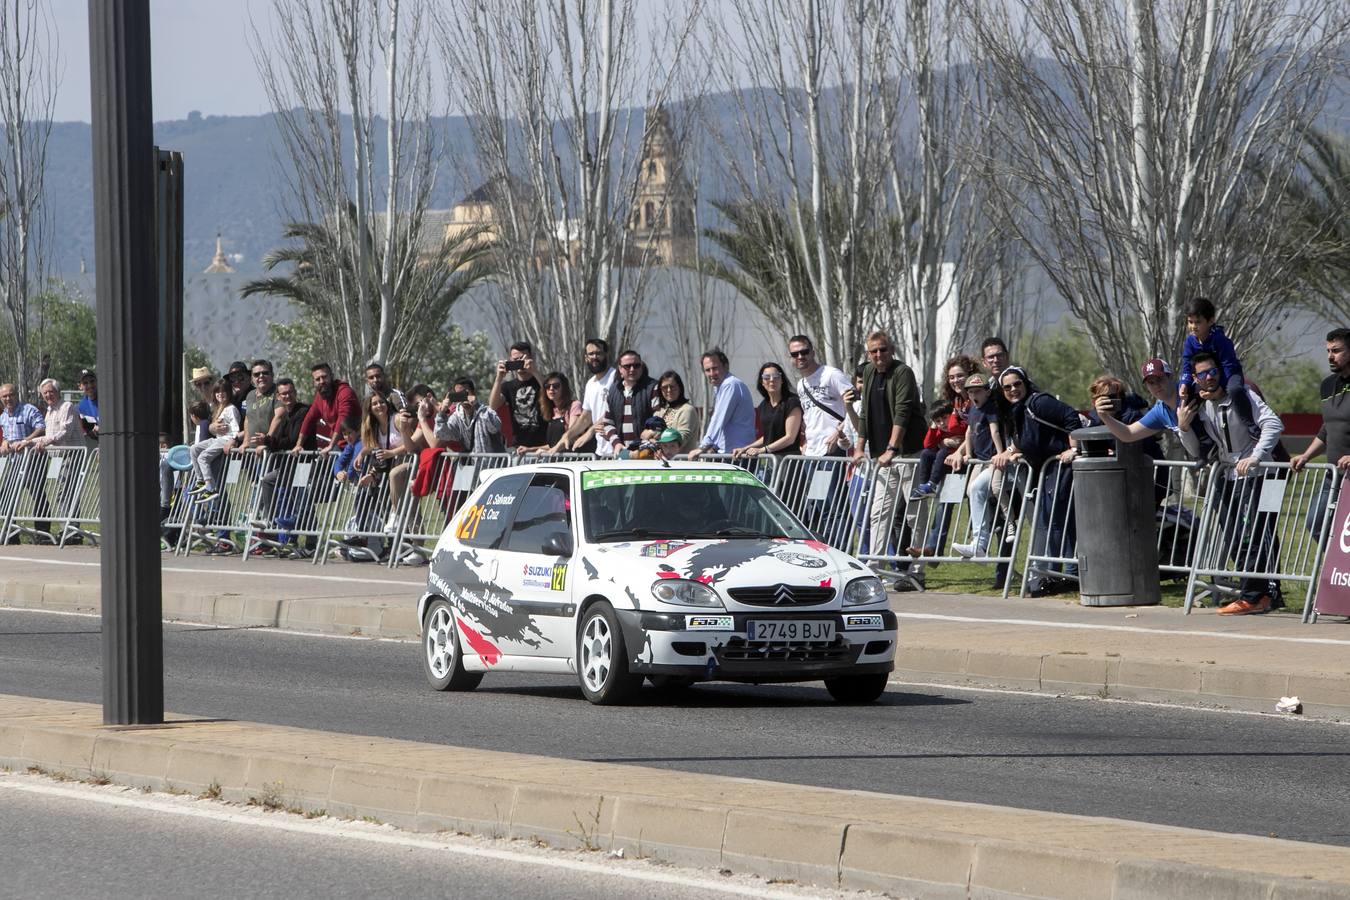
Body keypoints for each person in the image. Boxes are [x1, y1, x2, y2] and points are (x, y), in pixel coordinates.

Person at [1178, 351, 1286, 614]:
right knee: (1239, 535)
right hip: (1231, 476)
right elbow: (1196, 451)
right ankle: (1259, 594)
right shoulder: (1203, 407)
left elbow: (1274, 424)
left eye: (1213, 371)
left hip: (1266, 474)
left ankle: (1257, 595)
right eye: (1202, 374)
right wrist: (1183, 428)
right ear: (1195, 379)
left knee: (1259, 534)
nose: (1209, 378)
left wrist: (1256, 457)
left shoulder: (1243, 396)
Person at [992, 366, 1082, 596]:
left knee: (1056, 519)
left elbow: (1070, 416)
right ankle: (1056, 574)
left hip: (1061, 465)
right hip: (1044, 468)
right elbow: (1029, 439)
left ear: (1025, 383)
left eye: (1017, 384)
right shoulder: (1016, 411)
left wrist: (1073, 448)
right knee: (1051, 519)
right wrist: (1014, 451)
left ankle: (1065, 573)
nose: (1013, 390)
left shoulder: (1038, 402)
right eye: (1008, 387)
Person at [852, 331, 926, 570]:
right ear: (868, 354)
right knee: (878, 512)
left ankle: (918, 568)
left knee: (915, 512)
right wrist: (859, 448)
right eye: (873, 351)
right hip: (882, 457)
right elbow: (864, 413)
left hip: (907, 452)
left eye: (883, 349)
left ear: (891, 349)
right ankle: (875, 565)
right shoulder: (869, 372)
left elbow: (903, 411)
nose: (878, 355)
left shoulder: (902, 372)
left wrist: (892, 448)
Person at [1292, 329, 1350, 538]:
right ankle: (1339, 570)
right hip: (1333, 477)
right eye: (1328, 351)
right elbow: (1328, 428)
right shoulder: (1327, 385)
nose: (1330, 356)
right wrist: (1306, 456)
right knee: (1315, 523)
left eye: (1336, 351)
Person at [950, 374, 1006, 562]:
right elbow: (968, 432)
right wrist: (968, 454)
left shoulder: (990, 409)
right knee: (971, 491)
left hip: (992, 461)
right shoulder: (973, 409)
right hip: (979, 461)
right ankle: (979, 542)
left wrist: (1000, 453)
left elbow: (995, 431)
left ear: (987, 392)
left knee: (978, 489)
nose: (974, 395)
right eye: (971, 391)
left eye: (978, 391)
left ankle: (982, 541)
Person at [252, 378, 315, 537]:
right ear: (278, 397)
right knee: (267, 480)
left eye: (290, 393)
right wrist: (266, 442)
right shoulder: (284, 415)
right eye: (283, 394)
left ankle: (311, 541)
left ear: (295, 393)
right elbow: (277, 443)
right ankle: (271, 520)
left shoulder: (303, 411)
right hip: (288, 466)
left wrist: (269, 440)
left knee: (304, 504)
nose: (287, 396)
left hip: (303, 464)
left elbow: (293, 439)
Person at [1178, 296, 1254, 422]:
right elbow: (1186, 365)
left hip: (1228, 374)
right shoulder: (1190, 341)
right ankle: (1202, 436)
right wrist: (1184, 384)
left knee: (1235, 390)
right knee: (1184, 398)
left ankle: (1250, 423)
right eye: (1190, 322)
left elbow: (1228, 366)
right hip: (1204, 377)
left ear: (1211, 321)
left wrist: (1220, 389)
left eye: (1198, 322)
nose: (1193, 326)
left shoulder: (1220, 340)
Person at [788, 335, 853, 457]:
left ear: (812, 353)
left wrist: (838, 432)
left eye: (804, 352)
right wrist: (806, 442)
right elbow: (810, 417)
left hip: (832, 447)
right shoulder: (801, 384)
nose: (800, 357)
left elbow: (856, 406)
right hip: (810, 451)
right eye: (795, 354)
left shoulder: (831, 374)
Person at [0, 383, 49, 543]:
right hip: (15, 463)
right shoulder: (3, 416)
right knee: (6, 497)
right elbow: (7, 435)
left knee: (38, 495)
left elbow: (41, 427)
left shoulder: (29, 409)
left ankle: (42, 535)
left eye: (11, 395)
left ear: (17, 394)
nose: (8, 398)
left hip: (34, 460)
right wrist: (5, 442)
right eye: (4, 396)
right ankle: (11, 535)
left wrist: (27, 441)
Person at [689, 349, 756, 458]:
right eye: (707, 370)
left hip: (738, 455)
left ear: (726, 366)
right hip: (729, 453)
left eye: (715, 368)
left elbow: (719, 419)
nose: (711, 373)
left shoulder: (730, 385)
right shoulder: (721, 387)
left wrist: (703, 447)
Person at [187, 379, 242, 501]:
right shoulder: (218, 409)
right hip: (218, 439)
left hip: (226, 440)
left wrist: (233, 440)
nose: (220, 394)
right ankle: (200, 481)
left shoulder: (231, 408)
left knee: (203, 457)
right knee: (194, 449)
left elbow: (235, 429)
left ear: (229, 393)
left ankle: (211, 488)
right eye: (217, 392)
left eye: (223, 392)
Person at [733, 362, 802, 459]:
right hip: (771, 462)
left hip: (789, 462)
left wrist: (762, 450)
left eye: (776, 376)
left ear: (782, 380)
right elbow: (768, 437)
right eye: (767, 377)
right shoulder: (763, 405)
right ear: (762, 382)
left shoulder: (792, 402)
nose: (772, 380)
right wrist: (745, 448)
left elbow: (790, 438)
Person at [489, 340, 546, 449]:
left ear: (530, 358)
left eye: (522, 359)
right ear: (510, 360)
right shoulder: (508, 386)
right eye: (515, 360)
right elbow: (493, 405)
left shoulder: (541, 380)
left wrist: (534, 371)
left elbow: (551, 396)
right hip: (518, 447)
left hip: (542, 447)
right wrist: (499, 378)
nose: (519, 363)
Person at [292, 362, 360, 454]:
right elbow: (309, 419)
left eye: (324, 377)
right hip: (339, 445)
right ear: (314, 382)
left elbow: (343, 418)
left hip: (356, 443)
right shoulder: (319, 397)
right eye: (317, 379)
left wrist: (331, 445)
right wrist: (299, 445)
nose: (322, 381)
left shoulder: (344, 392)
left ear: (331, 376)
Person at [600, 350, 659, 453]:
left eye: (636, 365)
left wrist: (650, 434)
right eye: (627, 366)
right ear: (620, 369)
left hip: (648, 453)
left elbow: (659, 419)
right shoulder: (613, 390)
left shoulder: (653, 388)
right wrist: (616, 443)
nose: (632, 369)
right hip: (623, 453)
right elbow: (608, 423)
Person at [433, 377, 506, 454]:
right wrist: (442, 412)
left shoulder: (486, 411)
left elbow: (494, 428)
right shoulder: (457, 416)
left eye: (466, 393)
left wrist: (476, 405)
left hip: (494, 464)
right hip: (471, 464)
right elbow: (441, 434)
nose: (463, 397)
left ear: (473, 393)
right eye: (459, 394)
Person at [576, 338, 617, 457]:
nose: (594, 357)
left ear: (606, 355)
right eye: (591, 354)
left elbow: (613, 410)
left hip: (616, 448)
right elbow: (585, 417)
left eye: (598, 353)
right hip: (600, 450)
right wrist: (567, 437)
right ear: (586, 358)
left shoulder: (615, 377)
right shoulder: (590, 383)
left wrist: (590, 432)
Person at [528, 372, 586, 455]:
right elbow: (552, 445)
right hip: (555, 459)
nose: (551, 389)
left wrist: (550, 452)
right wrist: (529, 449)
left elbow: (572, 436)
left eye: (556, 386)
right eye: (547, 386)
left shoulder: (574, 405)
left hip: (572, 459)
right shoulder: (551, 411)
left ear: (564, 388)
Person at [652, 371, 701, 454]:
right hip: (662, 463)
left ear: (680, 388)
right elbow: (646, 436)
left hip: (681, 463)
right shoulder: (659, 412)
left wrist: (654, 438)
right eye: (664, 387)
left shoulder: (687, 410)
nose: (669, 390)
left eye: (672, 387)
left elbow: (680, 440)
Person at [238, 359, 277, 450]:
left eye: (265, 373)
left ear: (272, 375)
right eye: (256, 374)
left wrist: (267, 440)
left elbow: (279, 417)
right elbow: (248, 419)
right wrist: (245, 442)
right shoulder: (250, 395)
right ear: (252, 379)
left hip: (271, 450)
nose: (261, 376)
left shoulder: (278, 391)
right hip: (252, 451)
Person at [189, 367, 215, 441]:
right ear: (196, 386)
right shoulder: (199, 405)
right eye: (199, 384)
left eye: (206, 383)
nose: (203, 387)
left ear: (212, 383)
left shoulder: (219, 404)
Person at [77, 369, 99, 443]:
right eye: (85, 383)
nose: (90, 385)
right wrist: (94, 433)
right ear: (80, 386)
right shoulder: (82, 406)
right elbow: (88, 429)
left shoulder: (107, 399)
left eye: (92, 381)